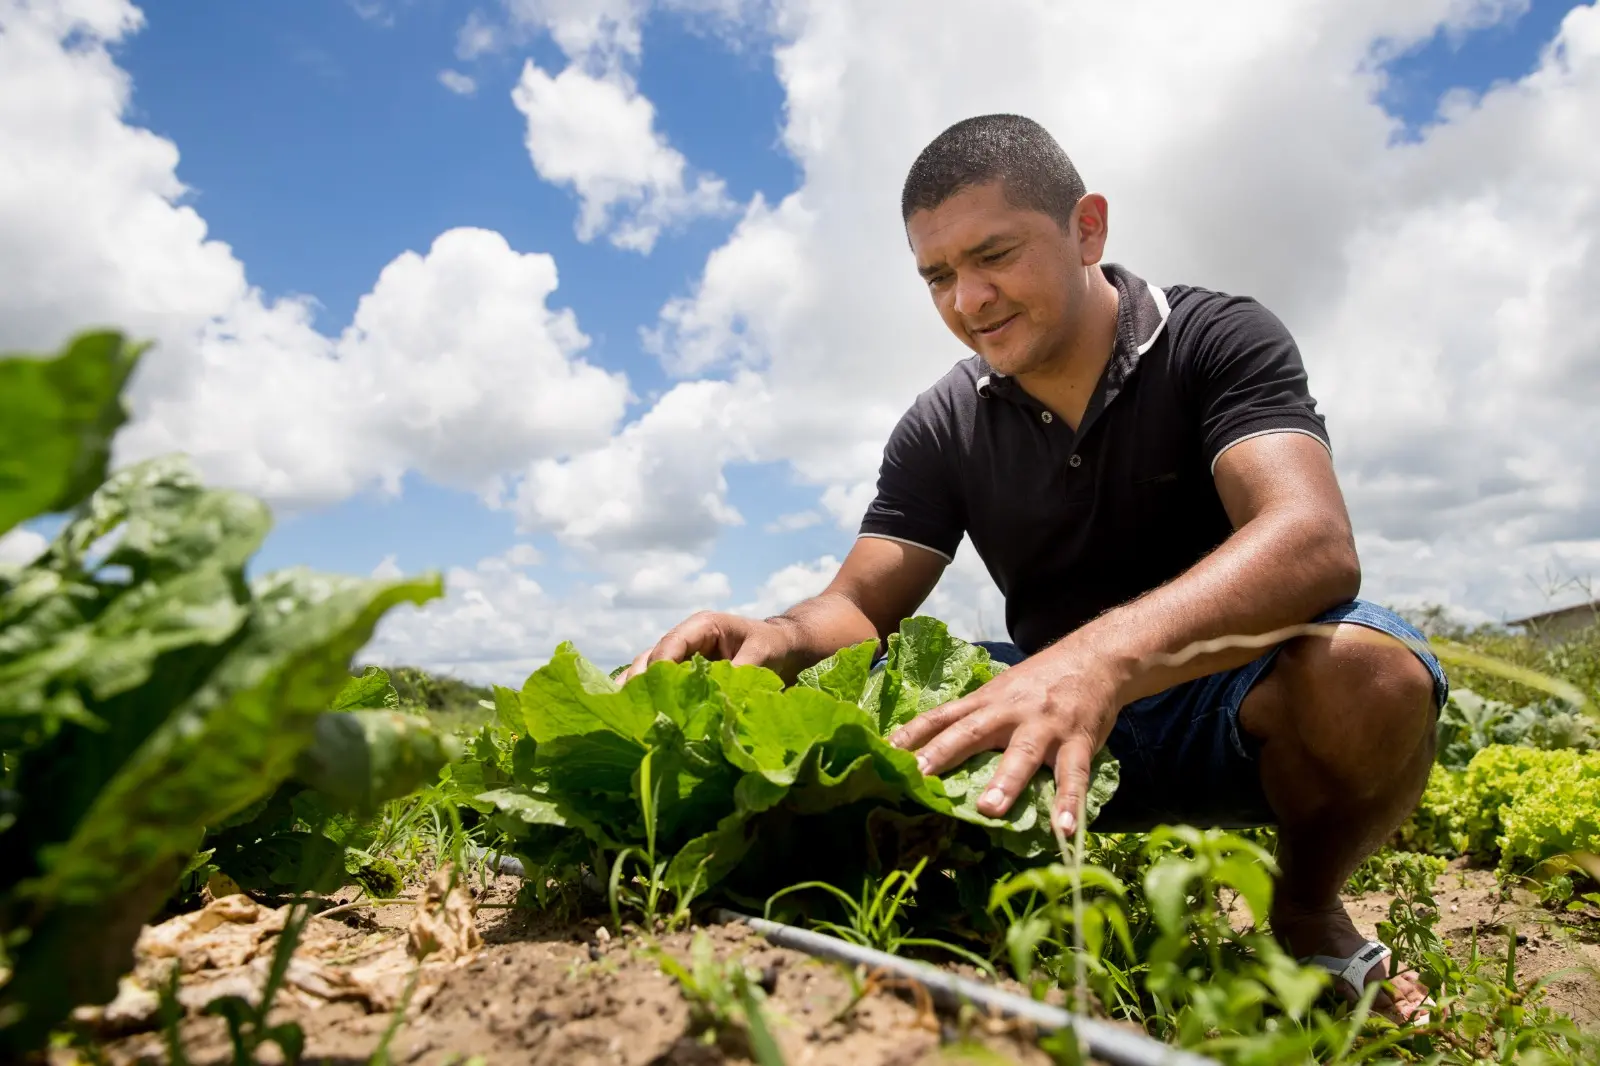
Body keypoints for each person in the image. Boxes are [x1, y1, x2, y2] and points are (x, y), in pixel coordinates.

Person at [621, 114, 1446, 1023]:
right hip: (1046, 721)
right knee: (877, 696)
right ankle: (986, 923)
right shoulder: (944, 423)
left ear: (1086, 228)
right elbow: (860, 603)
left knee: (1369, 672)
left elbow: (1312, 541)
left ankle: (1306, 917)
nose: (968, 300)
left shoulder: (1215, 337)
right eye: (938, 275)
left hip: (1228, 700)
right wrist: (774, 635)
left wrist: (1094, 662)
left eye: (994, 255)